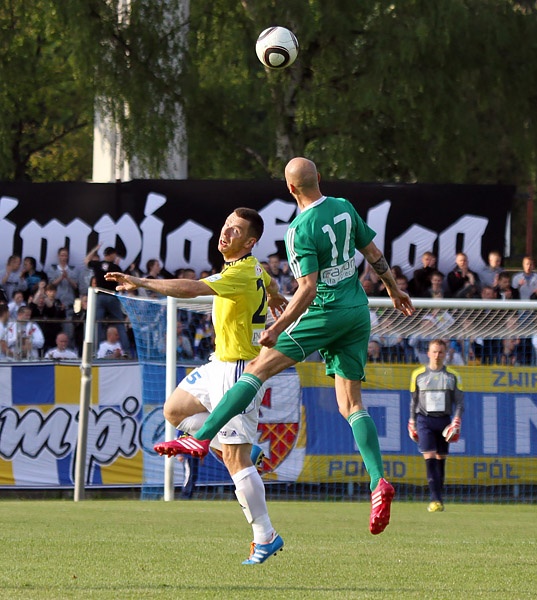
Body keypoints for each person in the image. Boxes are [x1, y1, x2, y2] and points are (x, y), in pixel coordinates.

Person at [151, 157, 414, 536]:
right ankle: (378, 482)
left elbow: (307, 288)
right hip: (357, 311)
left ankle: (203, 437)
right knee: (351, 404)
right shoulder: (344, 207)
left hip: (325, 311)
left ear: (290, 189)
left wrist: (278, 326)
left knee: (257, 369)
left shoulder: (299, 229)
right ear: (319, 179)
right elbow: (374, 255)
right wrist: (393, 288)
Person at [106, 207, 286, 564]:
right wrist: (277, 298)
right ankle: (244, 452)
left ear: (250, 241)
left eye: (236, 231)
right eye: (225, 226)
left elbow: (192, 289)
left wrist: (142, 283)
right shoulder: (255, 270)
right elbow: (271, 282)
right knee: (174, 409)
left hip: (237, 371)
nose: (226, 233)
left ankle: (266, 536)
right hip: (218, 364)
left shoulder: (240, 273)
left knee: (236, 461)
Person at [407, 339, 465, 512]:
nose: (437, 355)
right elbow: (413, 401)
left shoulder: (453, 376)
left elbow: (460, 403)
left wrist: (456, 420)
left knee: (441, 460)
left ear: (446, 354)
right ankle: (434, 499)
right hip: (424, 420)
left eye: (441, 352)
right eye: (434, 351)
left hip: (444, 421)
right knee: (430, 457)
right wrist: (412, 421)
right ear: (428, 353)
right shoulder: (418, 374)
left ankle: (439, 499)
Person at [45, 247, 80, 314]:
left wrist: (67, 278)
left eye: (65, 255)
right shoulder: (53, 269)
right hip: (56, 298)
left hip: (69, 299)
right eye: (62, 255)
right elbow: (51, 285)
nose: (63, 258)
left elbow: (75, 286)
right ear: (58, 256)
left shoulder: (73, 269)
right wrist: (61, 277)